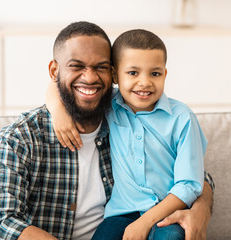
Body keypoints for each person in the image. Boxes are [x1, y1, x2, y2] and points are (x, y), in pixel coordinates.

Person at [0, 21, 214, 240]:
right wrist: (57, 109)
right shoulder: (20, 138)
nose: (91, 78)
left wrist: (200, 209)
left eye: (100, 68)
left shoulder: (119, 112)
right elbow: (0, 222)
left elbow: (194, 176)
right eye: (76, 66)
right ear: (54, 71)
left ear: (111, 74)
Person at [47, 28, 208, 240]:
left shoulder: (182, 118)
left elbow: (190, 184)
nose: (144, 82)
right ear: (115, 75)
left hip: (167, 214)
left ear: (165, 74)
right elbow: (57, 84)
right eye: (133, 73)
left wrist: (145, 221)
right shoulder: (110, 104)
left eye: (155, 73)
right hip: (120, 214)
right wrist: (58, 112)